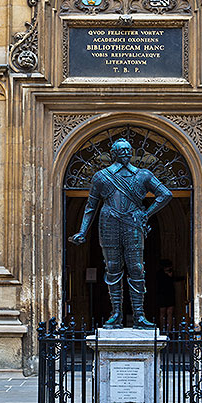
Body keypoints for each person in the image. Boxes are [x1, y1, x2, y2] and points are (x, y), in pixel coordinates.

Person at [69, 138, 172, 329]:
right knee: (113, 267)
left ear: (131, 153)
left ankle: (139, 315)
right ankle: (116, 313)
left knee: (136, 267)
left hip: (133, 223)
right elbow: (91, 206)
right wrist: (82, 231)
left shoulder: (143, 175)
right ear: (113, 154)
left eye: (127, 150)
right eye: (121, 151)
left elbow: (165, 194)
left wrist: (146, 214)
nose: (125, 154)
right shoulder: (101, 176)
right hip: (108, 222)